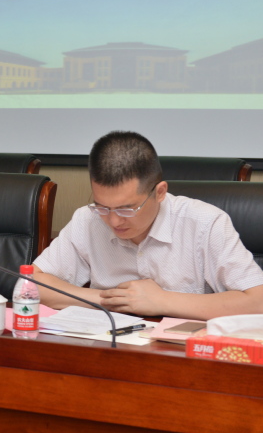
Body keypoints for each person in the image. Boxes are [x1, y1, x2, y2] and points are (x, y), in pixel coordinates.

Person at [33, 130, 263, 320]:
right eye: (102, 207)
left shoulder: (205, 223)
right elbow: (31, 285)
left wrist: (162, 301)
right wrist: (113, 300)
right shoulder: (88, 219)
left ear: (159, 192)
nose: (113, 220)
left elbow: (258, 301)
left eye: (126, 209)